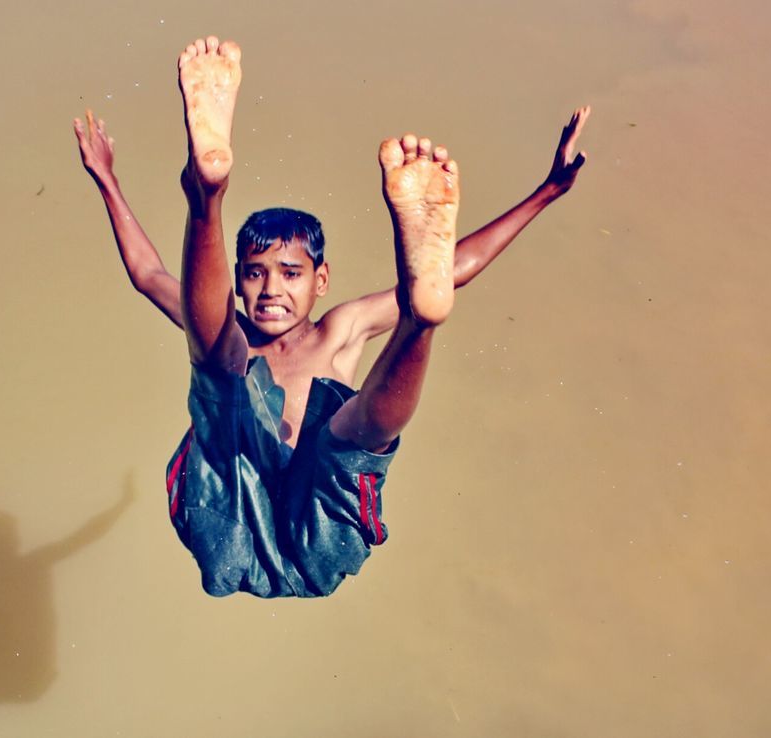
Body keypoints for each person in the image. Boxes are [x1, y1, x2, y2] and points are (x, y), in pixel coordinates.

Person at [73, 36, 589, 597]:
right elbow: (149, 274)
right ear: (238, 280)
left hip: (317, 523)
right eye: (254, 273)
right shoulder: (234, 330)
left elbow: (456, 265)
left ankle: (422, 316)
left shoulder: (341, 328)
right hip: (230, 503)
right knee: (220, 365)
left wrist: (546, 192)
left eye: (291, 274)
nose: (271, 289)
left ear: (321, 281)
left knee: (354, 434)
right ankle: (207, 193)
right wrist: (107, 180)